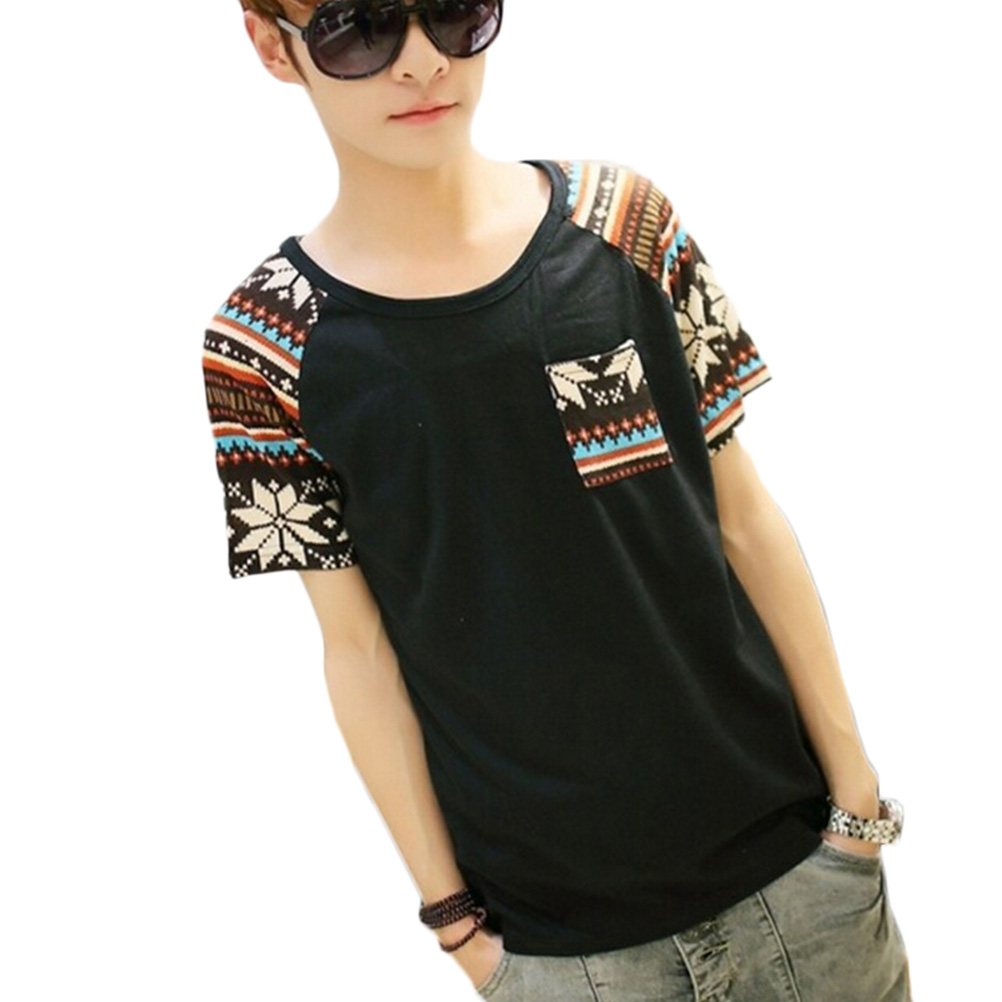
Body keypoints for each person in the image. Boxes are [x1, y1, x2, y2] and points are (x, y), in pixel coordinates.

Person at [200, 2, 912, 998]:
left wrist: (856, 803)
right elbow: (356, 649)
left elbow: (744, 519)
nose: (421, 63)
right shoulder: (263, 346)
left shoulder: (626, 226)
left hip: (801, 882)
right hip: (563, 956)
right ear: (274, 45)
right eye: (360, 30)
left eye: (455, 13)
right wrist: (457, 927)